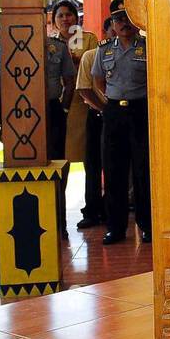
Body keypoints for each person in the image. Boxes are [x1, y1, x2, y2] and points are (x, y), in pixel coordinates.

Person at [92, 5, 151, 244]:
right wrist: (113, 100)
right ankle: (115, 228)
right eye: (118, 19)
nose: (124, 23)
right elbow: (98, 80)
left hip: (140, 111)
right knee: (114, 171)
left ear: (136, 21)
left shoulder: (148, 47)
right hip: (115, 112)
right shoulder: (104, 50)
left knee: (143, 171)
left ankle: (147, 226)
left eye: (128, 18)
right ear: (113, 24)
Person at [74, 16, 113, 229]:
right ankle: (92, 210)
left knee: (117, 166)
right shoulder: (91, 56)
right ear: (106, 32)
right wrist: (104, 108)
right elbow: (84, 89)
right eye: (112, 31)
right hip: (98, 116)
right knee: (93, 165)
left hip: (122, 117)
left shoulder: (134, 55)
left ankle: (113, 209)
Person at [45, 0, 79, 236]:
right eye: (60, 15)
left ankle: (59, 222)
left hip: (54, 110)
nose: (65, 19)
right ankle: (40, 218)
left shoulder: (57, 48)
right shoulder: (15, 46)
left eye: (69, 15)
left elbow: (70, 82)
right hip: (27, 116)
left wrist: (64, 109)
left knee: (59, 165)